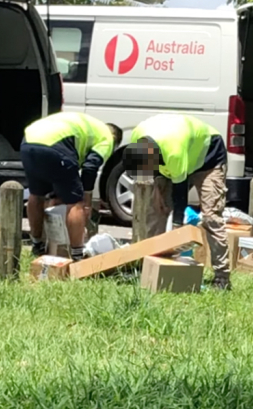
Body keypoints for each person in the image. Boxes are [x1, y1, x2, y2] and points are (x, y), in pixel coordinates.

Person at [123, 114, 231, 289]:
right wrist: (156, 192)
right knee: (155, 210)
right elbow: (146, 173)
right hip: (176, 152)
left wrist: (177, 229)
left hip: (208, 157)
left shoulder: (174, 152)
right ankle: (150, 266)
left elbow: (180, 197)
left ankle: (222, 277)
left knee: (211, 216)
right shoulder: (137, 137)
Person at [21, 112, 122, 261]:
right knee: (75, 203)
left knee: (37, 194)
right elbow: (90, 167)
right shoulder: (107, 138)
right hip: (55, 147)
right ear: (115, 141)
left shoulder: (90, 125)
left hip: (28, 141)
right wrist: (86, 198)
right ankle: (77, 255)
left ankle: (37, 245)